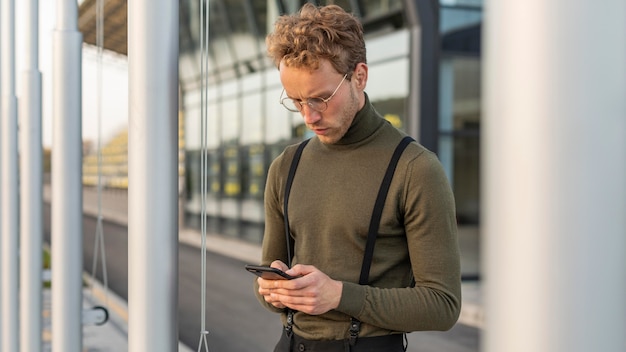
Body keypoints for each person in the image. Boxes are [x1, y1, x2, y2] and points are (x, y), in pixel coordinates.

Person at [253, 4, 461, 351]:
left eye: (321, 98)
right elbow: (267, 285)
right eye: (296, 101)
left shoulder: (415, 169)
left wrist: (339, 295)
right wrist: (274, 290)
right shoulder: (286, 166)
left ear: (359, 76)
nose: (309, 116)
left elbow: (442, 305)